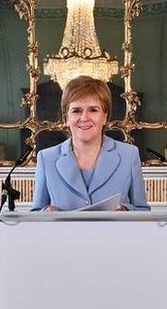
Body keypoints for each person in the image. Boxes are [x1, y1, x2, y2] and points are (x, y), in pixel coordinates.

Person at [31, 76, 149, 211]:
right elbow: (36, 213)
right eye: (76, 111)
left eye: (93, 110)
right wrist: (45, 212)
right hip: (63, 233)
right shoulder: (46, 158)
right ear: (66, 118)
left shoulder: (129, 155)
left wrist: (126, 210)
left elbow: (142, 210)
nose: (85, 118)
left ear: (105, 116)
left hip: (114, 233)